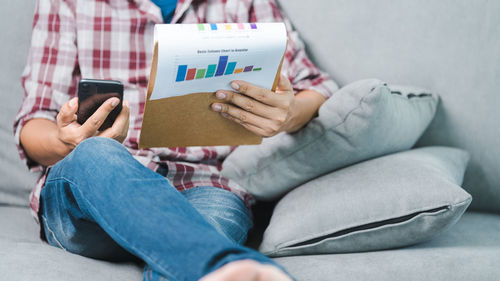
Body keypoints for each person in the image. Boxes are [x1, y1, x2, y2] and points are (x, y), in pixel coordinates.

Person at [14, 0, 338, 280]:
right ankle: (224, 263)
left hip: (206, 186)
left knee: (201, 242)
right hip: (96, 188)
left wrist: (290, 111)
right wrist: (64, 139)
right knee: (96, 152)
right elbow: (33, 120)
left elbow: (317, 85)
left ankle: (210, 264)